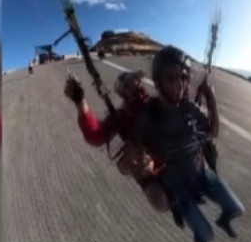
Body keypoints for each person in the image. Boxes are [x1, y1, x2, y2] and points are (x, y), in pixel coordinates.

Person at [133, 45, 243, 242]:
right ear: (158, 81)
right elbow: (132, 148)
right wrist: (141, 165)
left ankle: (223, 220)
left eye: (184, 78)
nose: (179, 85)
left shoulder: (188, 109)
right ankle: (201, 241)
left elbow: (212, 132)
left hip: (201, 171)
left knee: (236, 208)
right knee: (206, 234)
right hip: (176, 183)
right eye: (171, 78)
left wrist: (211, 98)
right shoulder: (149, 116)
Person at [63, 70, 172, 215]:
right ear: (123, 93)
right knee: (158, 199)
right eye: (127, 85)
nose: (133, 84)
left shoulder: (156, 103)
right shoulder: (123, 116)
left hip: (176, 152)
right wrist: (80, 101)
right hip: (152, 164)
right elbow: (95, 135)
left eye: (134, 79)